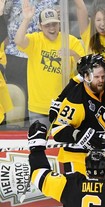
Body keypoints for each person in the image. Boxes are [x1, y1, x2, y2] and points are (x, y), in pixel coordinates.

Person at [14, 0, 85, 128]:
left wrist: (73, 54)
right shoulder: (35, 39)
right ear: (40, 26)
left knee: (60, 144)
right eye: (47, 25)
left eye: (54, 24)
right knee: (38, 145)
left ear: (59, 24)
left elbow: (85, 68)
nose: (52, 28)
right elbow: (18, 41)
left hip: (63, 106)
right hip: (38, 108)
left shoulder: (71, 40)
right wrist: (26, 19)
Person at [51, 54, 105, 176]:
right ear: (86, 76)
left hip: (101, 160)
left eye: (103, 76)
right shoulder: (76, 99)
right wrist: (78, 134)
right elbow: (57, 130)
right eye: (96, 77)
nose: (101, 80)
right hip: (77, 162)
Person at [4, 0, 59, 126]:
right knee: (18, 98)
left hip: (39, 53)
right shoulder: (13, 1)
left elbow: (55, 21)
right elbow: (4, 16)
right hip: (14, 54)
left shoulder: (49, 2)